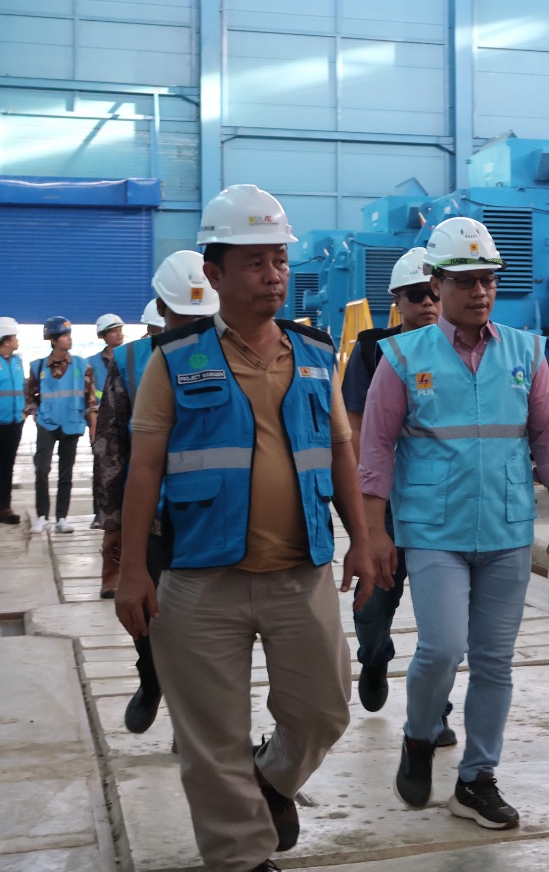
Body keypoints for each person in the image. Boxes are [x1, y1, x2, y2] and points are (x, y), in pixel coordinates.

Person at [114, 184, 385, 872]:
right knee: (212, 736)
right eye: (256, 262)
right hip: (201, 577)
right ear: (215, 273)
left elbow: (342, 451)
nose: (274, 275)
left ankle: (270, 780)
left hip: (301, 571)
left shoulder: (317, 353)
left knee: (324, 709)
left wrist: (361, 538)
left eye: (280, 260)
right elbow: (143, 470)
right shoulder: (174, 360)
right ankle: (242, 857)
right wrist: (132, 569)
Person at [360, 216, 549, 831]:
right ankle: (419, 734)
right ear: (436, 283)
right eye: (465, 281)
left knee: (493, 662)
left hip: (506, 529)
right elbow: (375, 450)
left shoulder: (524, 351)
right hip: (433, 531)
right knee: (442, 648)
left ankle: (476, 779)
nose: (480, 291)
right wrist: (373, 533)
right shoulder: (402, 356)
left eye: (488, 280)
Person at [96, 250, 218, 732]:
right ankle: (150, 679)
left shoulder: (232, 354)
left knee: (209, 628)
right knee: (144, 609)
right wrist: (114, 523)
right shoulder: (130, 361)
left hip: (211, 515)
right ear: (162, 312)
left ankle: (194, 726)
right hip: (150, 518)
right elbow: (110, 446)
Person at [342, 247, 454, 745]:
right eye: (416, 295)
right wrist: (367, 518)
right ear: (397, 301)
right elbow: (356, 431)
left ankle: (435, 712)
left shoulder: (463, 352)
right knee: (374, 603)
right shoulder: (373, 352)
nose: (428, 303)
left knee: (444, 620)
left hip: (439, 508)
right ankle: (374, 655)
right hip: (385, 506)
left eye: (433, 294)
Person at [25, 316, 96, 534]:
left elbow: (90, 399)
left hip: (72, 424)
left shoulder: (83, 366)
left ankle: (62, 518)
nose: (69, 339)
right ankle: (42, 517)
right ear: (53, 340)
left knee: (66, 473)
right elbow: (30, 395)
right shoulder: (38, 367)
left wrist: (93, 427)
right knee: (42, 470)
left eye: (69, 335)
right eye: (65, 336)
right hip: (47, 424)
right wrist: (36, 415)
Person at [91, 313, 125, 535]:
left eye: (120, 329)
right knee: (101, 467)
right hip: (100, 420)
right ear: (103, 336)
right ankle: (99, 514)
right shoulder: (91, 363)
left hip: (123, 418)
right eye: (113, 331)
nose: (118, 334)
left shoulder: (128, 357)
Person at [0, 317, 23, 525]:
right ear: (5, 340)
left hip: (15, 422)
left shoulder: (17, 361)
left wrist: (24, 413)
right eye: (14, 336)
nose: (17, 340)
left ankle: (4, 508)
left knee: (7, 466)